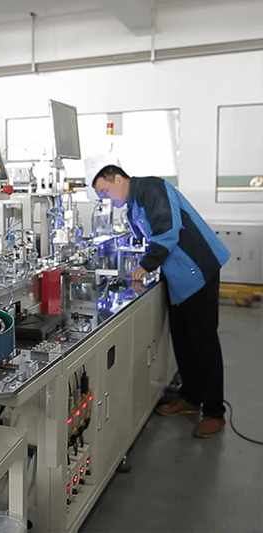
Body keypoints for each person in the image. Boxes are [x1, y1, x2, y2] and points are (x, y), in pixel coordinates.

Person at [89, 161, 230, 438]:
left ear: (118, 179)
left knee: (204, 343)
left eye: (105, 191)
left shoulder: (151, 189)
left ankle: (215, 412)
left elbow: (167, 231)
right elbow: (143, 238)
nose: (106, 198)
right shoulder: (133, 206)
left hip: (197, 270)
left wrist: (146, 265)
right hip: (178, 278)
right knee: (183, 340)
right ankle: (191, 398)